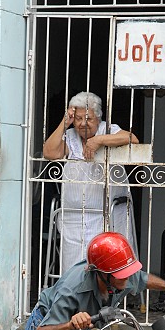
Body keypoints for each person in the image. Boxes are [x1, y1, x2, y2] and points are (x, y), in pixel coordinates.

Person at [20, 231, 165, 330]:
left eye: (127, 273)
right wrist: (70, 325)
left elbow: (142, 279)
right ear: (100, 273)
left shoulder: (121, 277)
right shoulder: (71, 290)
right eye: (120, 275)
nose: (127, 278)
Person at [43, 91, 139, 274]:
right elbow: (49, 153)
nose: (82, 123)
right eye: (77, 118)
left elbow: (132, 139)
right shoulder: (70, 135)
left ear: (98, 118)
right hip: (74, 215)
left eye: (88, 118)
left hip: (106, 214)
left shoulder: (108, 129)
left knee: (107, 265)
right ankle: (74, 297)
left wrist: (99, 140)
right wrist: (64, 124)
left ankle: (108, 299)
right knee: (74, 269)